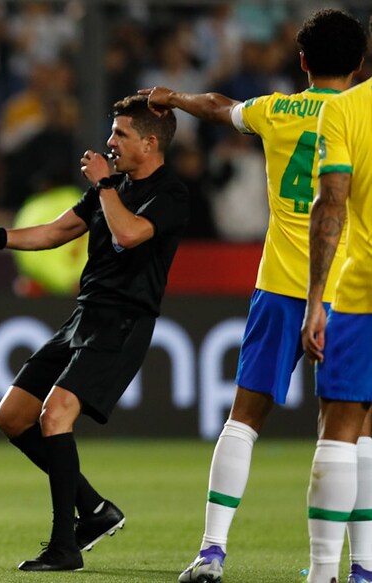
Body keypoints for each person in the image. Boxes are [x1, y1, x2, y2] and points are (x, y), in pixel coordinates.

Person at [140, 9, 370, 583]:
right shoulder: (360, 116)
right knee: (355, 427)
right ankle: (362, 565)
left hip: (280, 286)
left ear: (302, 62)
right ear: (361, 63)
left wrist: (173, 97)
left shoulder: (277, 110)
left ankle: (212, 550)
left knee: (244, 418)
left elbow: (220, 107)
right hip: (352, 288)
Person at [0, 95, 186, 572]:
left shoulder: (171, 193)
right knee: (12, 415)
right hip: (85, 316)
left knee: (55, 413)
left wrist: (104, 186)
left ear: (149, 142)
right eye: (113, 132)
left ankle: (64, 547)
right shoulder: (113, 185)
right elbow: (55, 232)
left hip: (124, 321)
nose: (110, 142)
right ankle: (96, 510)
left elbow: (129, 234)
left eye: (120, 134)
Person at [301, 19, 372, 581]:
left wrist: (316, 298)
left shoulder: (345, 109)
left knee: (343, 423)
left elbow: (331, 205)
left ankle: (325, 571)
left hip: (361, 289)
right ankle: (366, 566)